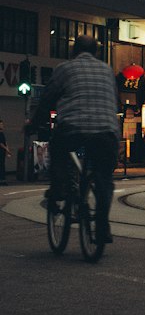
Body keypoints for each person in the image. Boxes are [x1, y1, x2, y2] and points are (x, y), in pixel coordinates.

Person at [31, 36, 121, 243]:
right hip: (107, 133)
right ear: (97, 52)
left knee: (58, 149)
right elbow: (115, 102)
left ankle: (59, 188)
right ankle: (102, 225)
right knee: (104, 179)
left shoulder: (64, 68)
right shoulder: (107, 70)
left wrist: (33, 124)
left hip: (73, 130)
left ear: (73, 50)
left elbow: (47, 100)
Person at [0, 118, 7, 184]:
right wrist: (6, 149)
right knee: (1, 166)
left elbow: (5, 142)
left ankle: (3, 179)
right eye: (1, 124)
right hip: (1, 151)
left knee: (2, 165)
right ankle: (2, 180)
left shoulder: (2, 133)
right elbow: (1, 143)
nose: (2, 125)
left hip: (2, 152)